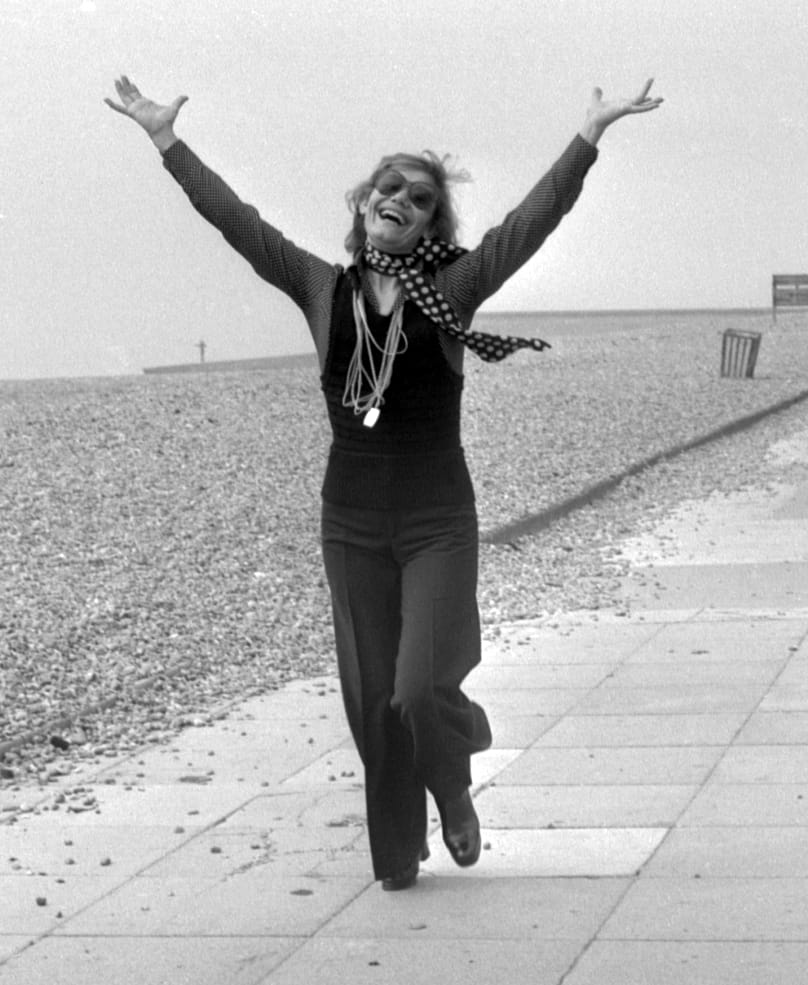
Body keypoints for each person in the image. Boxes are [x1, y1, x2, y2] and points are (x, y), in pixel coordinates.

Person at [106, 75, 662, 891]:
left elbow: (530, 225)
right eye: (389, 186)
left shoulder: (457, 287)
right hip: (352, 524)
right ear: (365, 202)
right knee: (373, 702)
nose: (400, 198)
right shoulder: (319, 287)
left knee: (417, 685)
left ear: (434, 222)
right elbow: (236, 222)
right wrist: (165, 141)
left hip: (438, 519)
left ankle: (453, 787)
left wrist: (588, 134)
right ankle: (399, 852)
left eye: (422, 197)